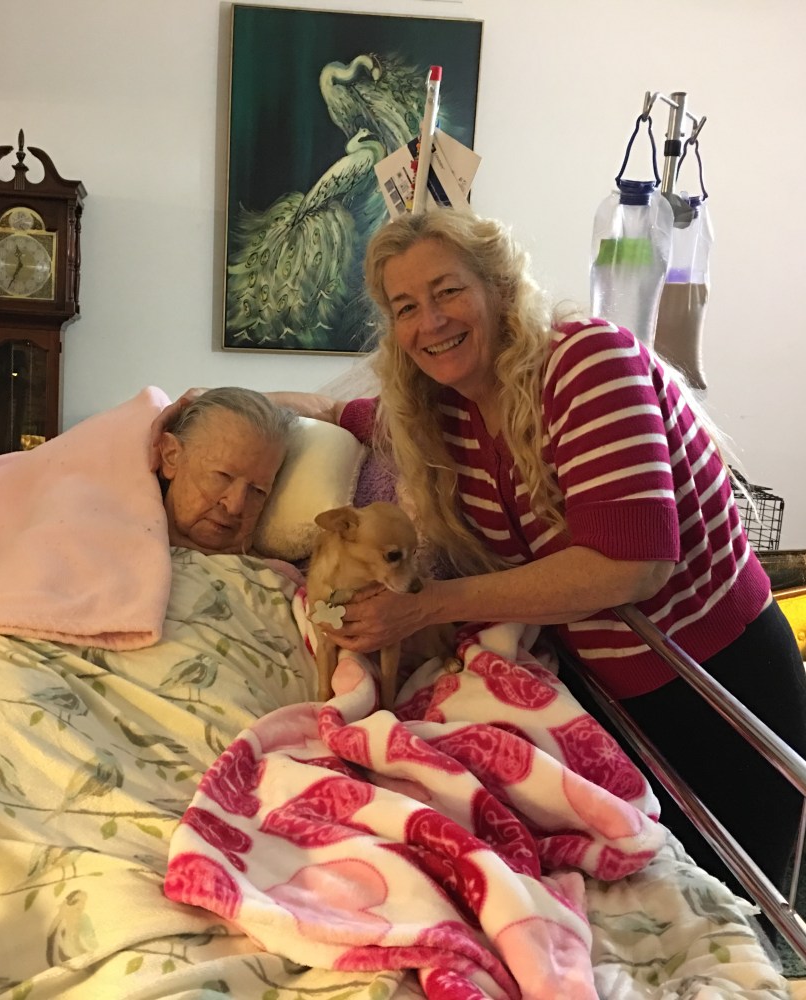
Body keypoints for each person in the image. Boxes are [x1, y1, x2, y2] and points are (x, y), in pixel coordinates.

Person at [156, 209, 806, 905]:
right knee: (654, 888)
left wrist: (425, 608)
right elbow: (329, 415)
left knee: (751, 905)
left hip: (715, 678)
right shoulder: (442, 412)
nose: (429, 322)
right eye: (405, 307)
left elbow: (630, 565)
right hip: (601, 693)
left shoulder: (587, 364)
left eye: (447, 291)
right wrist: (190, 414)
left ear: (497, 285)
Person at [156, 386, 298, 556]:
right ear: (171, 456)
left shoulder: (276, 578)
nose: (235, 506)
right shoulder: (120, 536)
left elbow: (334, 410)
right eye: (223, 476)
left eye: (258, 491)